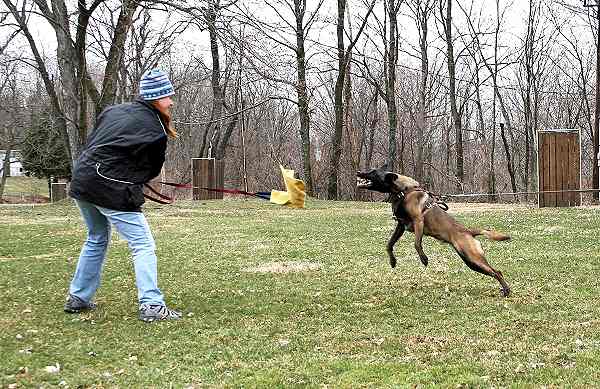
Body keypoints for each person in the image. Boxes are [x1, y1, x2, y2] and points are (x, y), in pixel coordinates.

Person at [65, 69, 181, 322]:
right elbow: (151, 168)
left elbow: (96, 143)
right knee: (143, 244)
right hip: (109, 186)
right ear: (155, 98)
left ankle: (78, 297)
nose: (171, 101)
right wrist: (132, 182)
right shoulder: (155, 129)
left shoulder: (113, 111)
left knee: (96, 237)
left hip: (83, 180)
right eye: (167, 96)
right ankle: (151, 304)